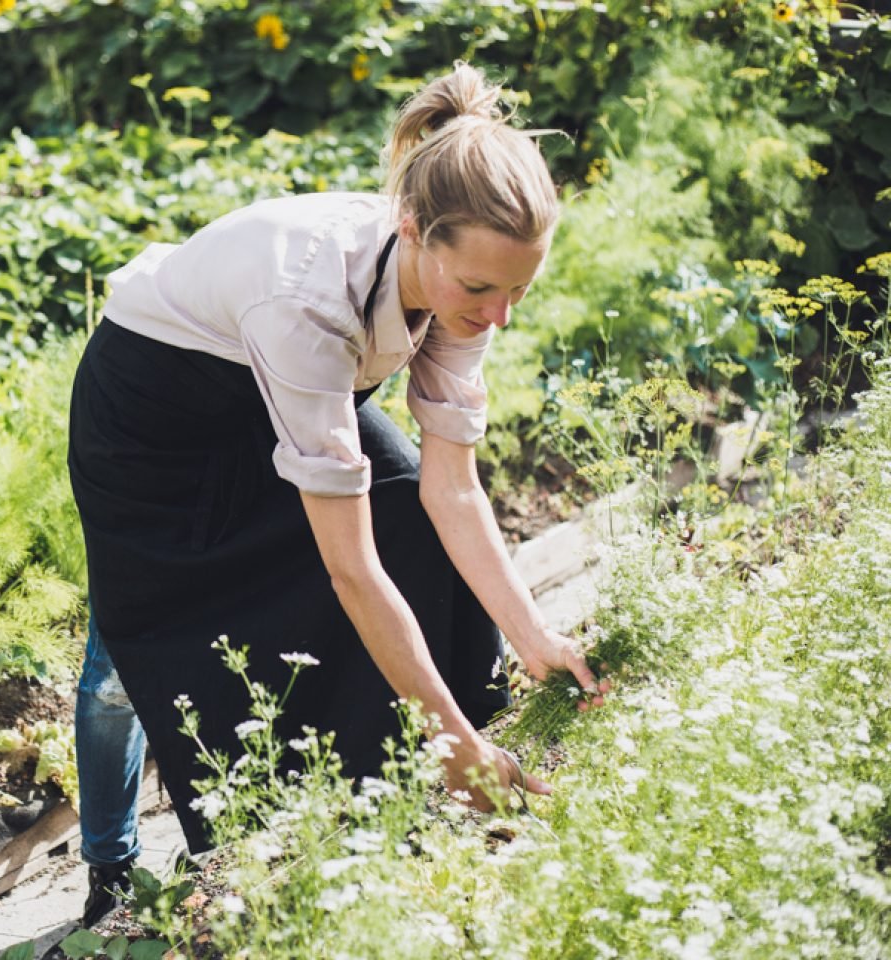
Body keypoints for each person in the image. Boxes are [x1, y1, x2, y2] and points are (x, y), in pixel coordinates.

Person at [66, 61, 610, 916]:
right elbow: (350, 570)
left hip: (284, 392)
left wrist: (533, 633)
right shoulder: (311, 301)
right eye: (481, 289)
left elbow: (453, 492)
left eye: (519, 290)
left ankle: (376, 799)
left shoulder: (469, 286)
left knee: (407, 517)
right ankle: (111, 870)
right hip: (157, 419)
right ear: (413, 230)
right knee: (126, 659)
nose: (499, 315)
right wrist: (449, 743)